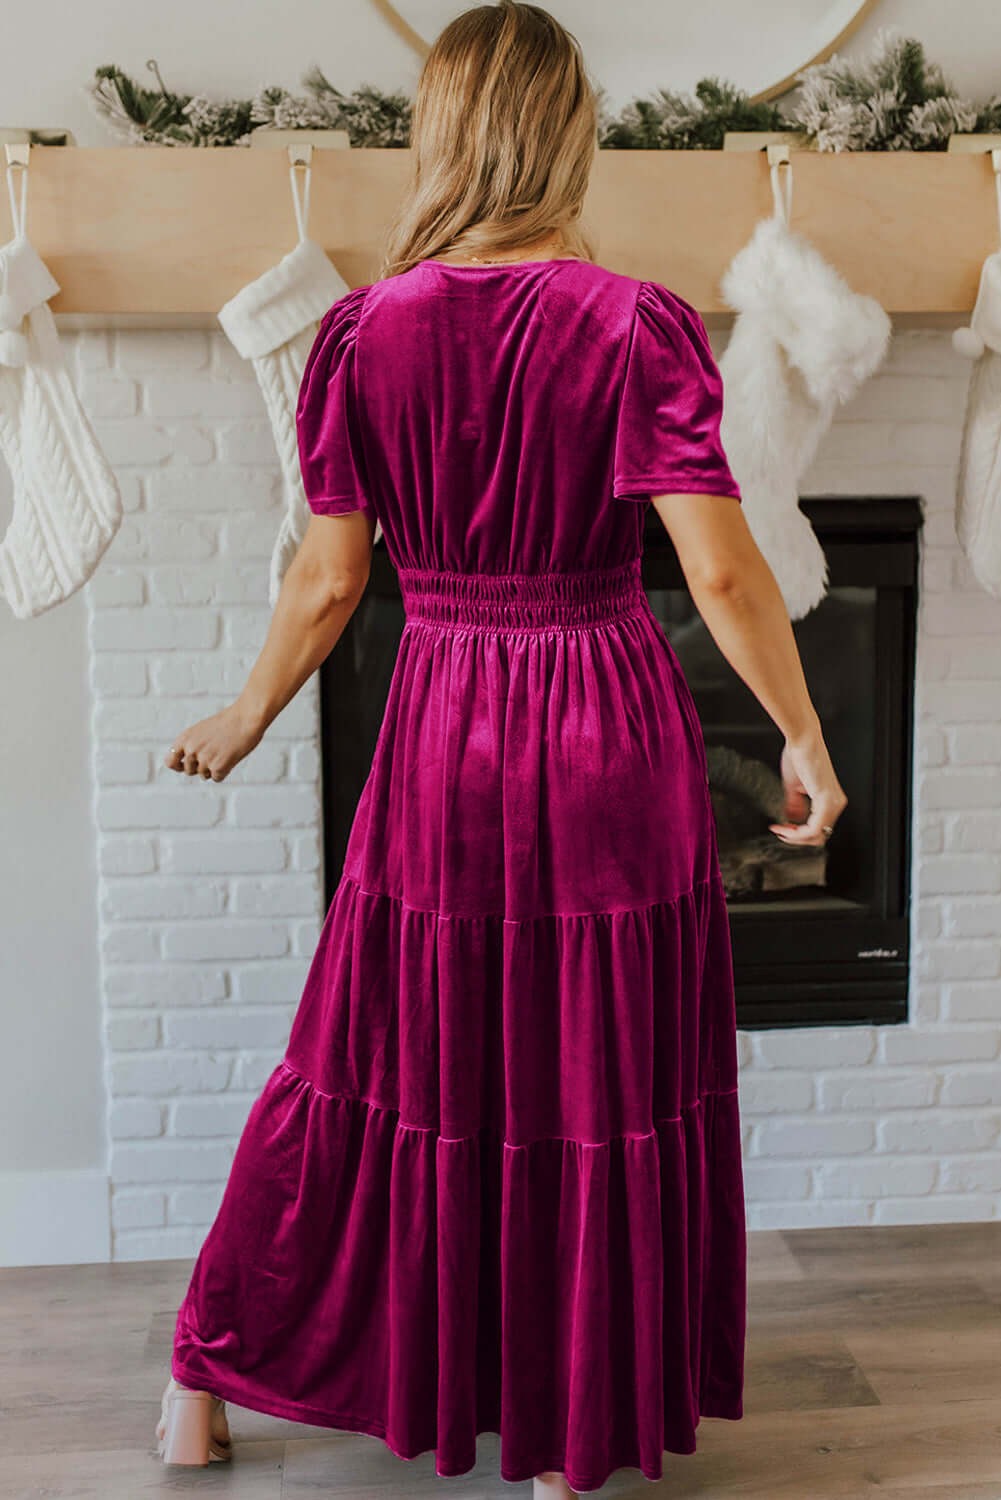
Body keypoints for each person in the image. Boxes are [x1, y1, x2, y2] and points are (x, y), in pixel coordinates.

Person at [154, 3, 847, 1495]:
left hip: (439, 731)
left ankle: (204, 1375)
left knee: (372, 1066)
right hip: (601, 719)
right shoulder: (633, 325)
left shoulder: (359, 332)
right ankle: (559, 1443)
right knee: (587, 1079)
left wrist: (245, 708)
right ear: (565, 134)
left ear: (443, 136)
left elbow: (330, 580)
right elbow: (722, 575)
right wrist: (801, 731)